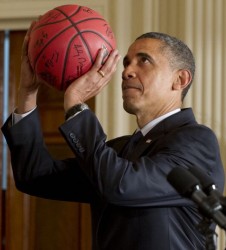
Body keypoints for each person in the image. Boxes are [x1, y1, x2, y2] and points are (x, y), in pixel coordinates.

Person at [1, 21, 225, 250]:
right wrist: (27, 93)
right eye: (126, 63)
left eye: (144, 61)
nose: (127, 71)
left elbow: (121, 185)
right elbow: (35, 176)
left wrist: (76, 106)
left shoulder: (197, 140)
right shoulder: (118, 151)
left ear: (180, 80)